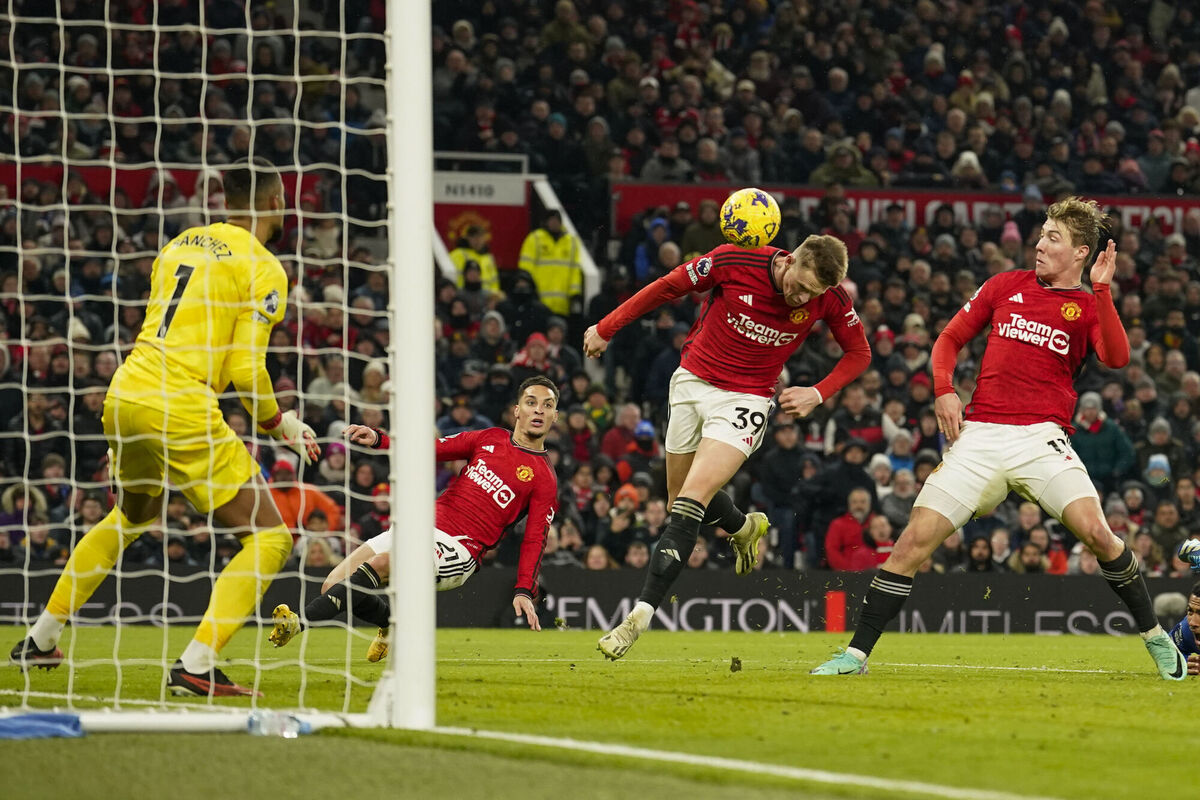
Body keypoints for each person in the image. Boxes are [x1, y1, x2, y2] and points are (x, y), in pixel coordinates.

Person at [813, 197, 1187, 681]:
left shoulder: (1088, 306)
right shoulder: (1003, 285)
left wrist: (1104, 292)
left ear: (1080, 252)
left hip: (1041, 438)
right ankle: (856, 656)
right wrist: (945, 391)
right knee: (910, 545)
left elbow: (1116, 359)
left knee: (1099, 534)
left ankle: (1154, 636)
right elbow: (948, 339)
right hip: (982, 435)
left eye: (1053, 237)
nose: (1039, 243)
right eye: (1042, 233)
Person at [11, 158, 320, 697]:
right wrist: (278, 423)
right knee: (271, 534)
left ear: (225, 200)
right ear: (277, 202)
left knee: (133, 515)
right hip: (179, 402)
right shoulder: (264, 265)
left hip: (126, 391)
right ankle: (196, 666)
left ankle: (41, 639)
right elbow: (245, 369)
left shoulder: (179, 244)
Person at [584, 230, 870, 660]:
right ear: (790, 260)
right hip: (691, 383)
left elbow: (859, 353)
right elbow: (665, 288)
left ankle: (637, 619)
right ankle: (742, 526)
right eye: (800, 285)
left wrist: (818, 392)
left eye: (813, 294)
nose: (800, 299)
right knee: (677, 497)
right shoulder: (733, 261)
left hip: (746, 400)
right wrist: (607, 328)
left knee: (690, 503)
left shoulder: (829, 300)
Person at [270, 377, 560, 661]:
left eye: (547, 406)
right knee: (333, 584)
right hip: (420, 525)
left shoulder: (544, 478)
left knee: (382, 563)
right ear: (517, 411)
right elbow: (426, 448)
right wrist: (379, 439)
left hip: (458, 548)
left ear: (554, 416)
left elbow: (536, 538)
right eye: (531, 402)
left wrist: (524, 589)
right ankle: (392, 625)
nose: (538, 410)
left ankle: (299, 622)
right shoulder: (490, 438)